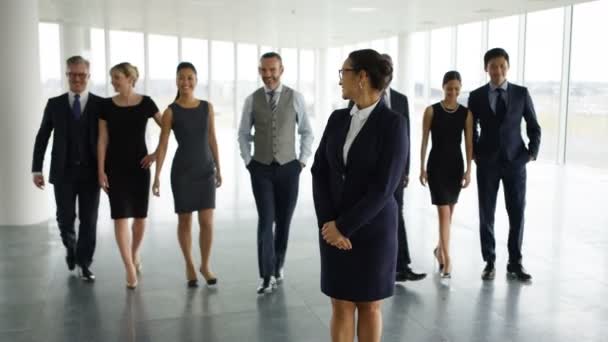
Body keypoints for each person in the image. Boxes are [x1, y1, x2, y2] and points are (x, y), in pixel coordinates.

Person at [311, 49, 407, 342]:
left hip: (372, 230)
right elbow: (320, 171)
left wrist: (344, 227)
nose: (340, 81)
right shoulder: (337, 119)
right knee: (339, 303)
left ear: (362, 77)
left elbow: (384, 187)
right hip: (332, 229)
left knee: (369, 305)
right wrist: (329, 224)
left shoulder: (393, 124)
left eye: (344, 73)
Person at [238, 52, 314, 294]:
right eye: (263, 70)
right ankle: (266, 275)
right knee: (265, 220)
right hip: (260, 168)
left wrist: (301, 162)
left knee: (283, 221)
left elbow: (306, 132)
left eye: (272, 70)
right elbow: (242, 133)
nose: (267, 75)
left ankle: (279, 263)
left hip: (288, 168)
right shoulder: (252, 99)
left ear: (281, 70)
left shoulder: (296, 98)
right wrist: (248, 161)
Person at [468, 48, 541, 282]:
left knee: (517, 213)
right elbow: (472, 128)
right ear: (486, 68)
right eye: (493, 66)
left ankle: (515, 262)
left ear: (507, 67)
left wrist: (531, 154)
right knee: (486, 213)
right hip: (487, 164)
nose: (497, 70)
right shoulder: (477, 96)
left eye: (501, 66)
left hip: (515, 163)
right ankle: (489, 261)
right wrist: (476, 154)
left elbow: (533, 126)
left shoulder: (521, 93)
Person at [32, 55, 103, 282]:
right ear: (67, 75)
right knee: (65, 218)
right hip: (63, 172)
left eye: (81, 74)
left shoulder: (100, 105)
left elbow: (110, 138)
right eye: (72, 74)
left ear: (88, 76)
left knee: (89, 219)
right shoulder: (54, 104)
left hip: (91, 173)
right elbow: (42, 137)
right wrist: (36, 169)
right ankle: (70, 246)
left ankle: (84, 263)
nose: (77, 79)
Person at [151, 62, 222, 288]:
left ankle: (206, 265)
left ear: (196, 80)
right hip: (182, 173)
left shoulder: (207, 107)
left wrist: (219, 167)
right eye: (182, 78)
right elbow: (162, 146)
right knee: (185, 220)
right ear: (176, 81)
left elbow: (212, 138)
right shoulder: (171, 112)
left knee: (207, 222)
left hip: (205, 171)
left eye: (190, 78)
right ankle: (190, 264)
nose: (186, 82)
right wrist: (157, 176)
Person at [97, 62, 162, 289]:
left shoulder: (146, 103)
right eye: (112, 77)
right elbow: (102, 140)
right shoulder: (106, 106)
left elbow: (167, 127)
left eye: (116, 77)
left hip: (140, 168)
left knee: (140, 216)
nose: (113, 81)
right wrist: (100, 169)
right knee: (120, 216)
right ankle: (129, 267)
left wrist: (154, 154)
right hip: (115, 168)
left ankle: (134, 254)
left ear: (129, 78)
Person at [419, 70, 473, 278]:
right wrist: (421, 167)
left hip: (455, 166)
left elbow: (468, 144)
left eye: (457, 89)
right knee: (444, 213)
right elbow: (424, 140)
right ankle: (447, 259)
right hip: (436, 166)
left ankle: (439, 249)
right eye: (449, 88)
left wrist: (469, 170)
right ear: (443, 87)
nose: (453, 92)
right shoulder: (431, 111)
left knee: (450, 214)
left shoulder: (466, 113)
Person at [380, 53, 426, 283]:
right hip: (373, 173)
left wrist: (406, 168)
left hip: (397, 172)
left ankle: (401, 266)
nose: (388, 71)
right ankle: (384, 266)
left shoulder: (401, 99)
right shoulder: (362, 98)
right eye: (383, 67)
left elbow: (406, 137)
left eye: (390, 67)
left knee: (397, 215)